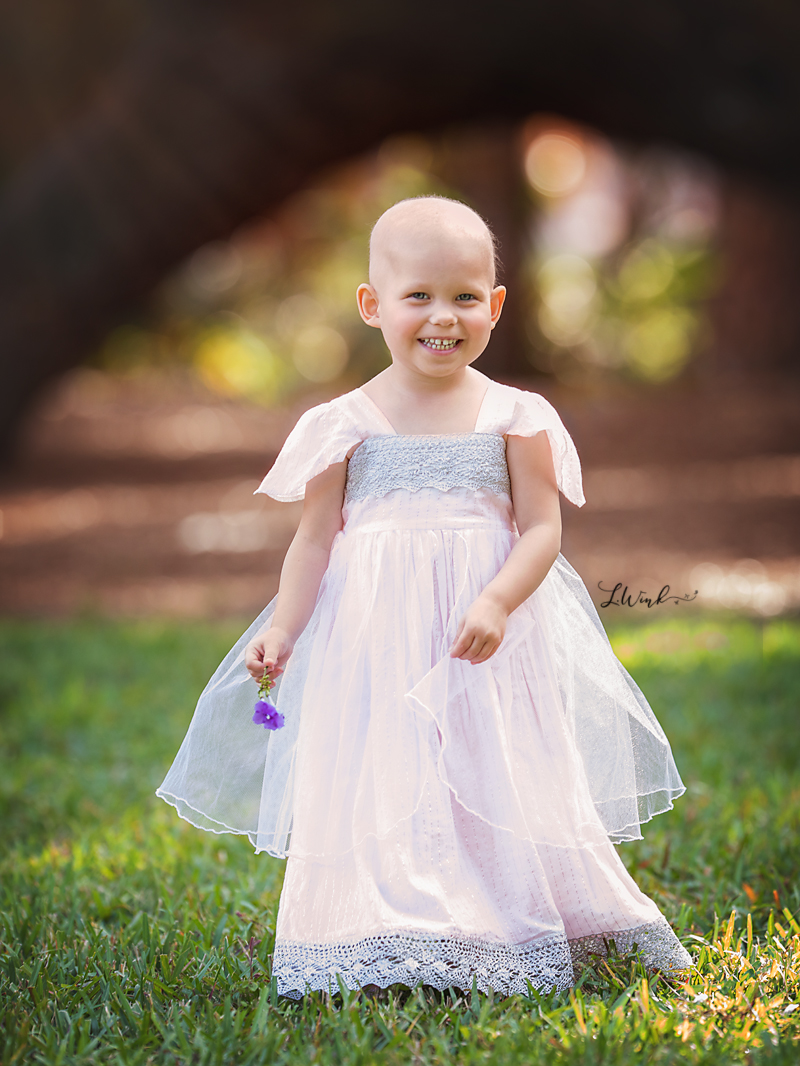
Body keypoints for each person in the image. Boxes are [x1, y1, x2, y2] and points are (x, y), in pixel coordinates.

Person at [156, 196, 692, 998]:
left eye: (465, 297)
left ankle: (511, 913)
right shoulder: (344, 423)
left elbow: (542, 529)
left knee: (497, 763)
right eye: (419, 297)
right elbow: (315, 538)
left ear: (496, 306)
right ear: (373, 306)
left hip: (486, 636)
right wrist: (286, 627)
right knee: (384, 766)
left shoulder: (517, 417)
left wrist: (500, 600)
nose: (443, 317)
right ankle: (387, 923)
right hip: (375, 636)